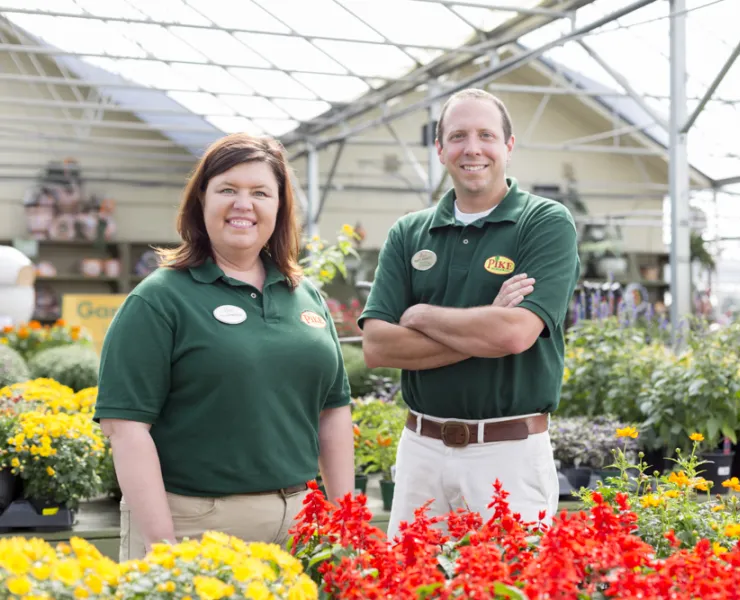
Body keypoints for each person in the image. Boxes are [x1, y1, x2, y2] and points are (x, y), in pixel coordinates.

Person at [93, 133, 355, 561]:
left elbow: (334, 410)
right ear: (201, 200)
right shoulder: (159, 300)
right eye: (228, 190)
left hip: (303, 527)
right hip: (196, 526)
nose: (243, 204)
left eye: (260, 193)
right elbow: (126, 429)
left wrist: (347, 526)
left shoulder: (305, 295)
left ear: (280, 206)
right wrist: (164, 550)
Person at [358, 88, 580, 539]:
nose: (472, 148)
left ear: (508, 147)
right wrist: (484, 327)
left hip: (508, 455)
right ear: (440, 149)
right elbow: (378, 346)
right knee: (410, 584)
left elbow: (514, 335)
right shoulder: (409, 232)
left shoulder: (545, 222)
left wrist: (419, 315)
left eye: (486, 135)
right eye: (457, 136)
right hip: (421, 450)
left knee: (510, 584)